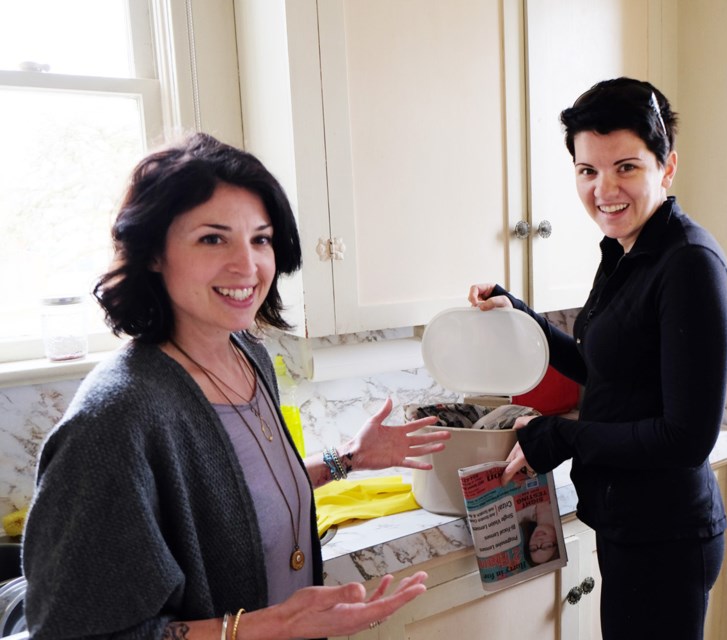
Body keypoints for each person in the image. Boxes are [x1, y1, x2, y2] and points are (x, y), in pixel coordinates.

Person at [22, 132, 450, 640]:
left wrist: (348, 459)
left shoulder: (248, 356)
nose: (247, 266)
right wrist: (261, 626)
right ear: (153, 253)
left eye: (260, 239)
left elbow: (234, 503)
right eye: (212, 238)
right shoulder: (116, 419)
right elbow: (73, 634)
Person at [468, 77, 727, 639]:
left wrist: (563, 438)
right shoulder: (626, 250)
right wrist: (521, 317)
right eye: (587, 171)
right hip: (631, 526)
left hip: (667, 539)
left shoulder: (688, 264)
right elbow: (606, 366)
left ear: (666, 168)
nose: (603, 189)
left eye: (626, 167)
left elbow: (687, 438)